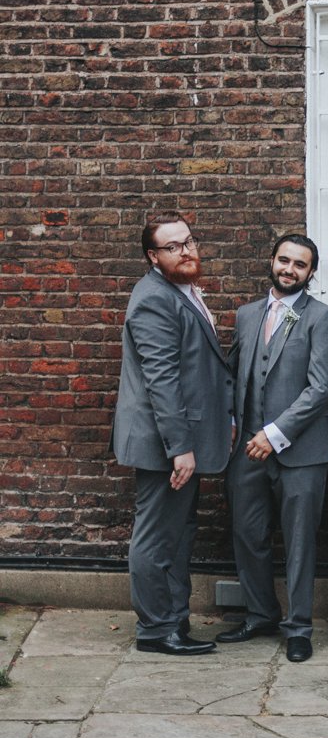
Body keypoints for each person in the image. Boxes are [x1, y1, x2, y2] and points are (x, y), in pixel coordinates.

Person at [112, 216, 232, 656]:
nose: (185, 251)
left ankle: (174, 623)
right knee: (157, 537)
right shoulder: (153, 299)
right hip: (165, 443)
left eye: (189, 241)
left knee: (178, 533)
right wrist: (180, 447)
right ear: (152, 257)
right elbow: (161, 378)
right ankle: (155, 631)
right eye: (172, 247)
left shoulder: (182, 290)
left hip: (181, 439)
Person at [218, 234, 328, 663]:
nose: (290, 269)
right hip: (247, 450)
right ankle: (260, 614)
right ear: (272, 261)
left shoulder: (322, 318)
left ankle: (299, 628)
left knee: (300, 541)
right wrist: (235, 426)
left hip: (300, 451)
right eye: (284, 260)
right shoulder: (247, 314)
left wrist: (274, 433)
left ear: (311, 273)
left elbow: (322, 387)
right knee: (247, 534)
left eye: (300, 265)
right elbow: (235, 375)